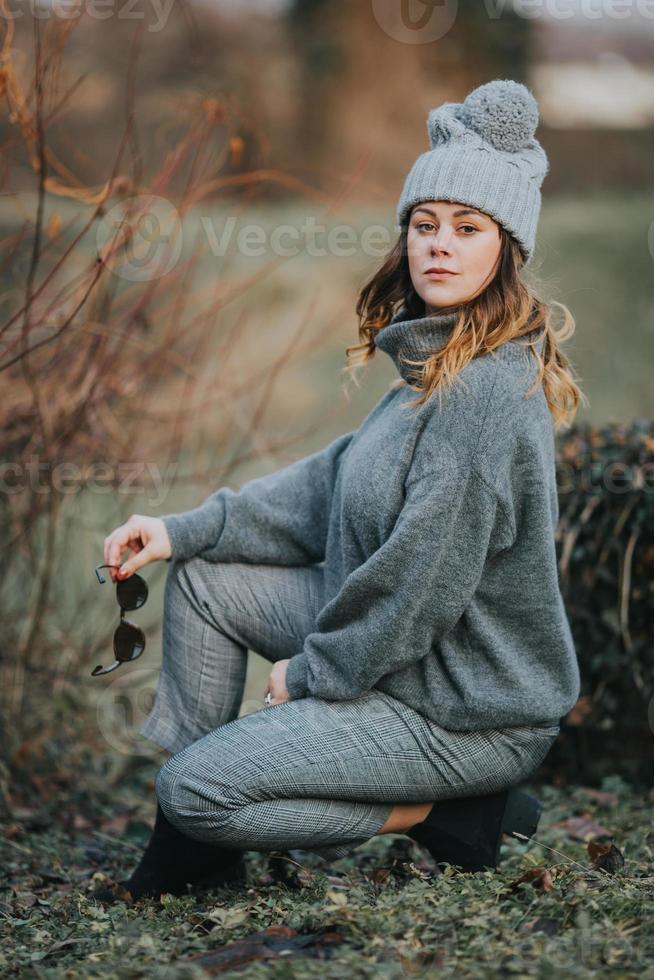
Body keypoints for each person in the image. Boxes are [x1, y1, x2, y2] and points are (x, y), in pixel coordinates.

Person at [92, 79, 584, 904]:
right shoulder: (430, 372)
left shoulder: (487, 399)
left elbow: (415, 591)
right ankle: (190, 848)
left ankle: (445, 813)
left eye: (467, 229)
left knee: (197, 788)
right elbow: (327, 488)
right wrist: (183, 528)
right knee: (208, 581)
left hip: (464, 708)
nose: (439, 245)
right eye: (425, 225)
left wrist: (313, 674)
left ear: (507, 248)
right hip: (412, 662)